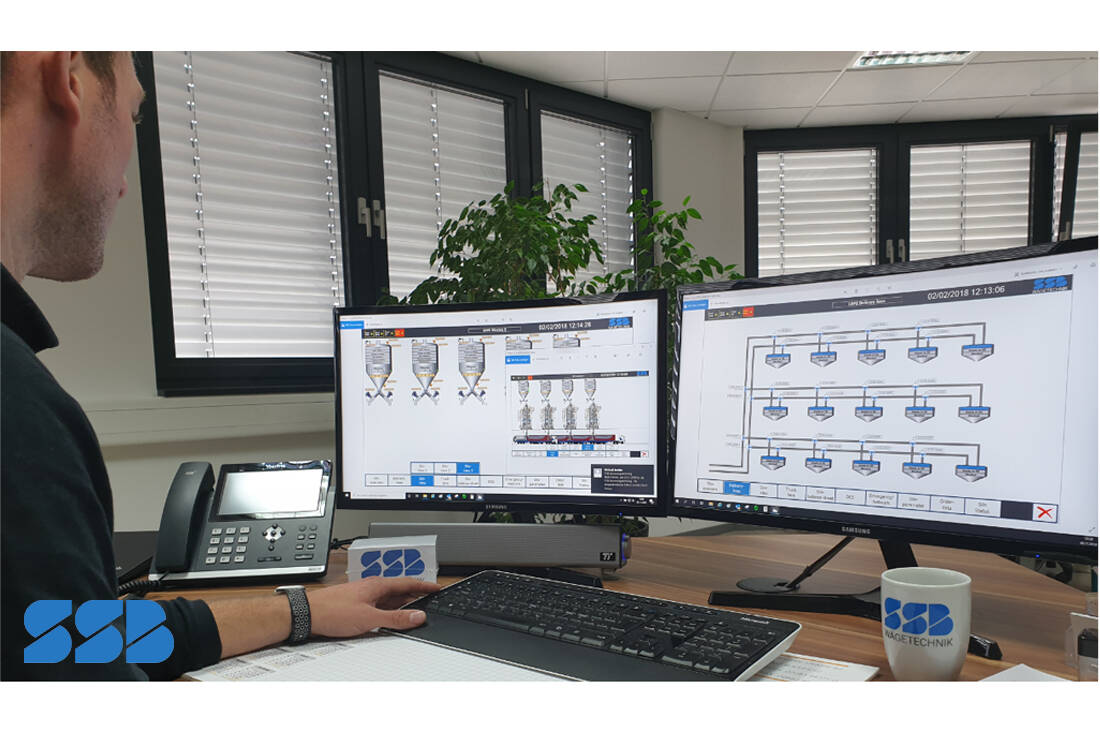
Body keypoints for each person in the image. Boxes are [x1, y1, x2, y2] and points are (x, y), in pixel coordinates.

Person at [0, 51, 440, 680]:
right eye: (134, 114)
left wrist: (299, 610)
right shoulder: (16, 411)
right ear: (67, 77)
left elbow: (66, 635)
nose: (127, 177)